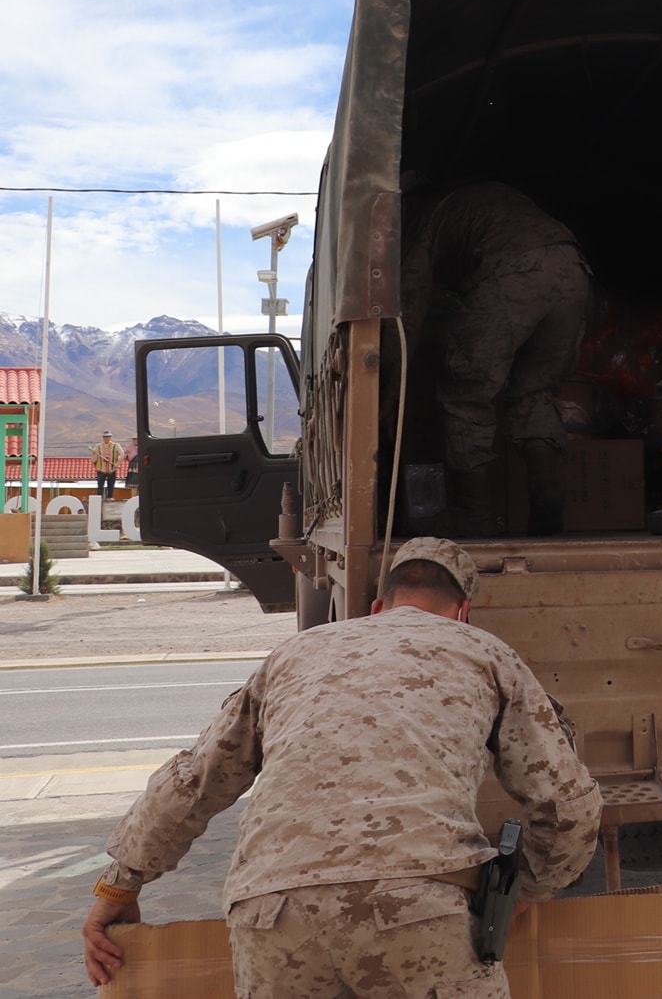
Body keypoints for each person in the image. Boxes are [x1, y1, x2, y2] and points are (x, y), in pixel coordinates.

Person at [82, 536, 602, 997]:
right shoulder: (485, 652)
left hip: (271, 911)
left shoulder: (295, 653)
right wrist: (527, 889)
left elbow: (195, 781)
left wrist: (119, 886)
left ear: (378, 607)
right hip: (419, 906)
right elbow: (565, 806)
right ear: (462, 612)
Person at [402, 182, 591, 535]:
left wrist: (393, 376)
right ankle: (546, 490)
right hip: (574, 269)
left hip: (514, 274)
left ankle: (474, 514)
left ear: (410, 201)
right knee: (535, 391)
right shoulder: (492, 196)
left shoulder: (429, 218)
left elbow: (410, 303)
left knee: (467, 395)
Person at [90, 431, 121, 500]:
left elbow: (122, 455)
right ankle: (99, 497)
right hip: (101, 469)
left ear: (110, 437)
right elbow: (94, 459)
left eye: (108, 437)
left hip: (111, 469)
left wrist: (117, 463)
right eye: (105, 437)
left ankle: (110, 497)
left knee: (111, 484)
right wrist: (94, 454)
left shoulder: (116, 446)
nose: (106, 438)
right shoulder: (98, 446)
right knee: (100, 484)